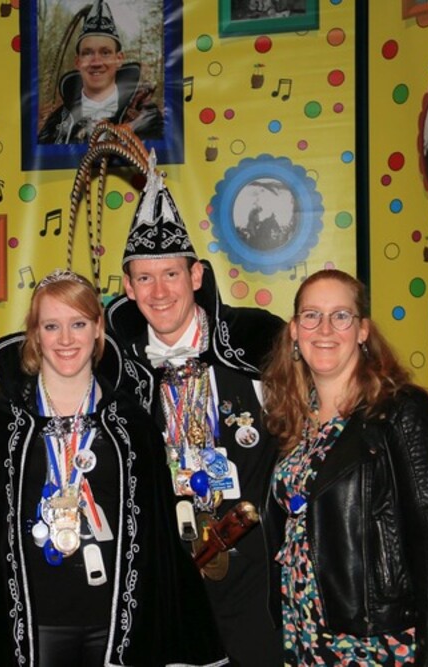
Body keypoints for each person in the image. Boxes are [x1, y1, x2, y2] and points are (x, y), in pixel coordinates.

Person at [0, 270, 228, 667]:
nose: (66, 339)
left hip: (119, 628)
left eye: (78, 324)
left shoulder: (132, 425)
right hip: (31, 630)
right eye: (51, 326)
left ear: (98, 329)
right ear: (34, 335)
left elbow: (158, 542)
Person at [84, 128, 284, 665]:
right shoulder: (114, 371)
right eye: (144, 278)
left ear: (195, 275)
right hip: (166, 579)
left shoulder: (256, 343)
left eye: (171, 273)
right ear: (127, 287)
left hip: (255, 573)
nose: (159, 292)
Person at [261, 269, 428, 665]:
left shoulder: (401, 413)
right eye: (311, 315)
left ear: (362, 331)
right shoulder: (290, 420)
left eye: (341, 316)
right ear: (294, 331)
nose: (325, 329)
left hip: (378, 643)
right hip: (305, 636)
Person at [37, 0, 162, 145]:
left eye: (105, 53)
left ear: (119, 59)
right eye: (87, 53)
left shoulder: (147, 119)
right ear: (77, 62)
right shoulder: (56, 124)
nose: (96, 62)